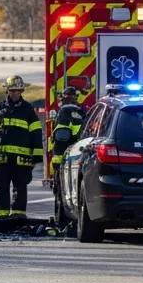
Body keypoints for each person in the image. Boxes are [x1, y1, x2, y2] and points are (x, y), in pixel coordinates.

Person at [0, 75, 43, 218]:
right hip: (1, 158)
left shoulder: (28, 110)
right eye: (12, 90)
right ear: (7, 91)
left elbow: (36, 133)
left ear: (22, 91)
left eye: (17, 90)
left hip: (22, 159)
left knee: (20, 187)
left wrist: (36, 156)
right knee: (1, 187)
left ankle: (18, 216)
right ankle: (1, 216)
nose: (15, 93)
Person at [49, 87, 86, 221]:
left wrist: (57, 160)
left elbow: (60, 138)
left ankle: (62, 222)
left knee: (61, 191)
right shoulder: (81, 112)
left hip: (67, 157)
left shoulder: (64, 113)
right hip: (80, 155)